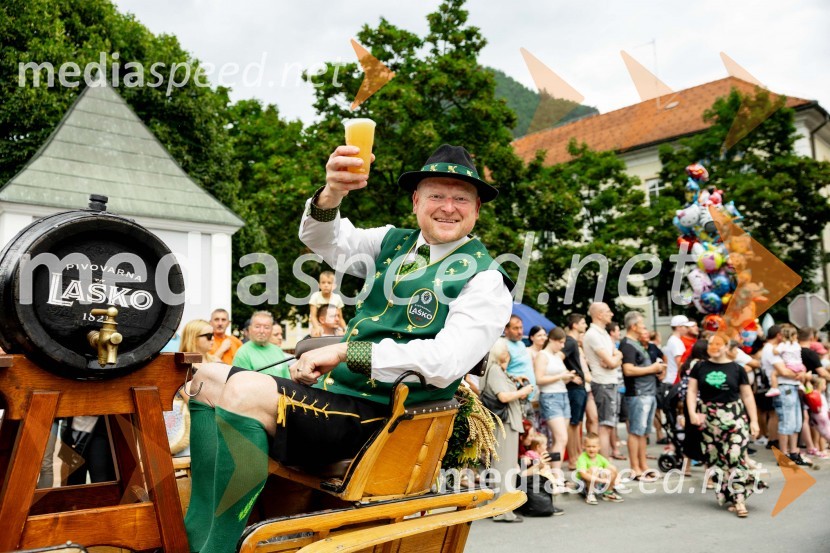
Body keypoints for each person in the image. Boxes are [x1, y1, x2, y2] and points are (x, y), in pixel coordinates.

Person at [184, 143, 513, 551]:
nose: (448, 207)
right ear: (416, 201)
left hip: (383, 419)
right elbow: (324, 240)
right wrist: (333, 191)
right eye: (436, 195)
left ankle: (217, 547)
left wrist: (343, 352)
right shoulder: (392, 242)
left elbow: (445, 362)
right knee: (204, 379)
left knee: (243, 392)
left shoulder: (486, 280)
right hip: (335, 401)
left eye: (460, 198)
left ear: (476, 209)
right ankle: (194, 536)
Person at [687, 334, 760, 517]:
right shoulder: (700, 367)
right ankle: (731, 495)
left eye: (718, 344)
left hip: (734, 416)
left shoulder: (737, 369)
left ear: (727, 346)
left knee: (735, 456)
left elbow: (747, 395)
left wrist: (754, 421)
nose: (714, 347)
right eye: (711, 344)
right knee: (716, 460)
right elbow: (692, 391)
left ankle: (739, 500)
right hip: (709, 418)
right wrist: (692, 413)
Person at [483, 338, 535, 522]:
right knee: (505, 467)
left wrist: (514, 380)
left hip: (504, 423)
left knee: (502, 466)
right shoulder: (495, 370)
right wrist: (523, 391)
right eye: (505, 350)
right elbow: (503, 396)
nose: (508, 353)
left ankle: (497, 507)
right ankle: (503, 510)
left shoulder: (494, 369)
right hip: (504, 424)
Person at [619, 311, 664, 481]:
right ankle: (635, 468)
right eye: (642, 325)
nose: (645, 328)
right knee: (636, 432)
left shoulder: (637, 344)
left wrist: (656, 370)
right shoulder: (627, 345)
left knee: (644, 433)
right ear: (633, 326)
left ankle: (643, 465)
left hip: (648, 392)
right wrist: (652, 369)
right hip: (638, 394)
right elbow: (628, 370)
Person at [763, 325, 810, 465]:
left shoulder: (787, 347)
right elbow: (783, 371)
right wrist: (800, 374)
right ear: (779, 335)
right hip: (784, 387)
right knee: (786, 422)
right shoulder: (770, 349)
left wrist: (801, 374)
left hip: (792, 386)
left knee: (796, 422)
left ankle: (793, 453)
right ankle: (783, 456)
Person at [583, 302, 622, 458]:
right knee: (605, 426)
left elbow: (616, 356)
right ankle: (604, 464)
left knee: (609, 425)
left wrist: (615, 358)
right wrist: (614, 359)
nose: (611, 314)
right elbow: (611, 361)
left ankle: (604, 464)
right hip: (603, 383)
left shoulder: (604, 333)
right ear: (599, 314)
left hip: (610, 381)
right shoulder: (593, 334)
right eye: (608, 311)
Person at [534, 327, 573, 478]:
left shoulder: (556, 356)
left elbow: (559, 377)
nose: (562, 346)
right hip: (550, 396)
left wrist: (568, 377)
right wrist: (561, 376)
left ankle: (554, 473)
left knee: (561, 439)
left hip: (563, 394)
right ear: (551, 340)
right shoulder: (542, 355)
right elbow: (539, 379)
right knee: (561, 438)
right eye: (560, 342)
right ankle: (556, 476)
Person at [562, 313, 588, 470]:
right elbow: (557, 358)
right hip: (574, 388)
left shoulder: (574, 342)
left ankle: (577, 455)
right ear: (575, 325)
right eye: (583, 323)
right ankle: (572, 459)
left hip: (579, 388)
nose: (585, 325)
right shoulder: (570, 342)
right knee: (573, 425)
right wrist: (569, 376)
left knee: (577, 424)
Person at [231, 311, 288, 376]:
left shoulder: (278, 350)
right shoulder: (243, 353)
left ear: (271, 330)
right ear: (250, 329)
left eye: (266, 327)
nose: (261, 331)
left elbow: (287, 378)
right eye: (257, 327)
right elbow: (240, 380)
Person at [575, 432, 623, 504]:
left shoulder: (600, 457)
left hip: (598, 482)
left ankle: (608, 492)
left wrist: (617, 478)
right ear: (584, 446)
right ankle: (590, 494)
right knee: (593, 469)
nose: (591, 449)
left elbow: (612, 468)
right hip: (583, 485)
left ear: (599, 447)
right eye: (588, 446)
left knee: (612, 468)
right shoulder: (582, 458)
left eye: (594, 446)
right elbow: (583, 475)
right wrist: (600, 480)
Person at [766, 325, 805, 398]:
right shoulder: (796, 344)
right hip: (799, 365)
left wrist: (774, 348)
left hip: (790, 366)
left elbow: (775, 352)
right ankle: (801, 385)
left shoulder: (783, 345)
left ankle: (774, 388)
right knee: (802, 373)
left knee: (773, 374)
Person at [504, 316, 537, 398]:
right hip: (517, 394)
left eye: (521, 328)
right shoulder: (503, 346)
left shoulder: (521, 344)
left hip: (528, 395)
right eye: (515, 328)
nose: (519, 332)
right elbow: (501, 372)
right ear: (506, 329)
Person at [308, 270, 346, 337]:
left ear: (334, 286)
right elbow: (313, 316)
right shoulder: (315, 296)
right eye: (323, 282)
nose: (326, 285)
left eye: (329, 283)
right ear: (319, 285)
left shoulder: (337, 298)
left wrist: (345, 329)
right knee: (317, 334)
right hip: (318, 324)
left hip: (334, 325)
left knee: (341, 335)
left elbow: (340, 318)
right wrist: (317, 327)